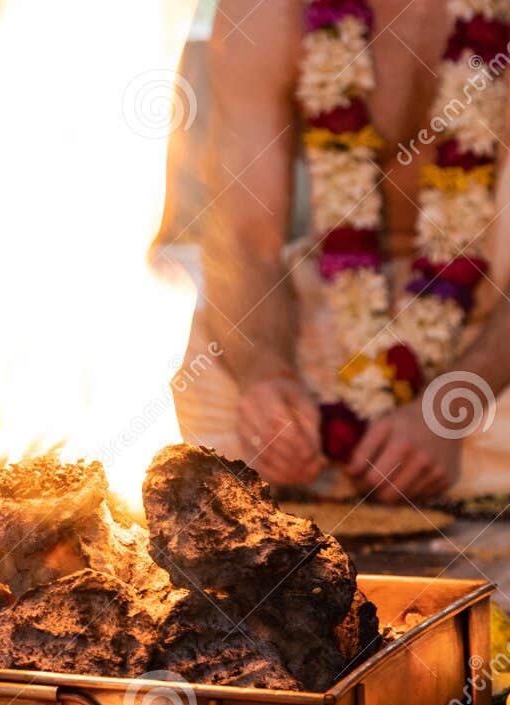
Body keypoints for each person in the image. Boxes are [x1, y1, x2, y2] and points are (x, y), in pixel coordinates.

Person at [177, 0, 510, 502]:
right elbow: (245, 236)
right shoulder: (264, 11)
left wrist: (455, 400)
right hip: (328, 301)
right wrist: (265, 373)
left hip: (490, 312)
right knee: (184, 407)